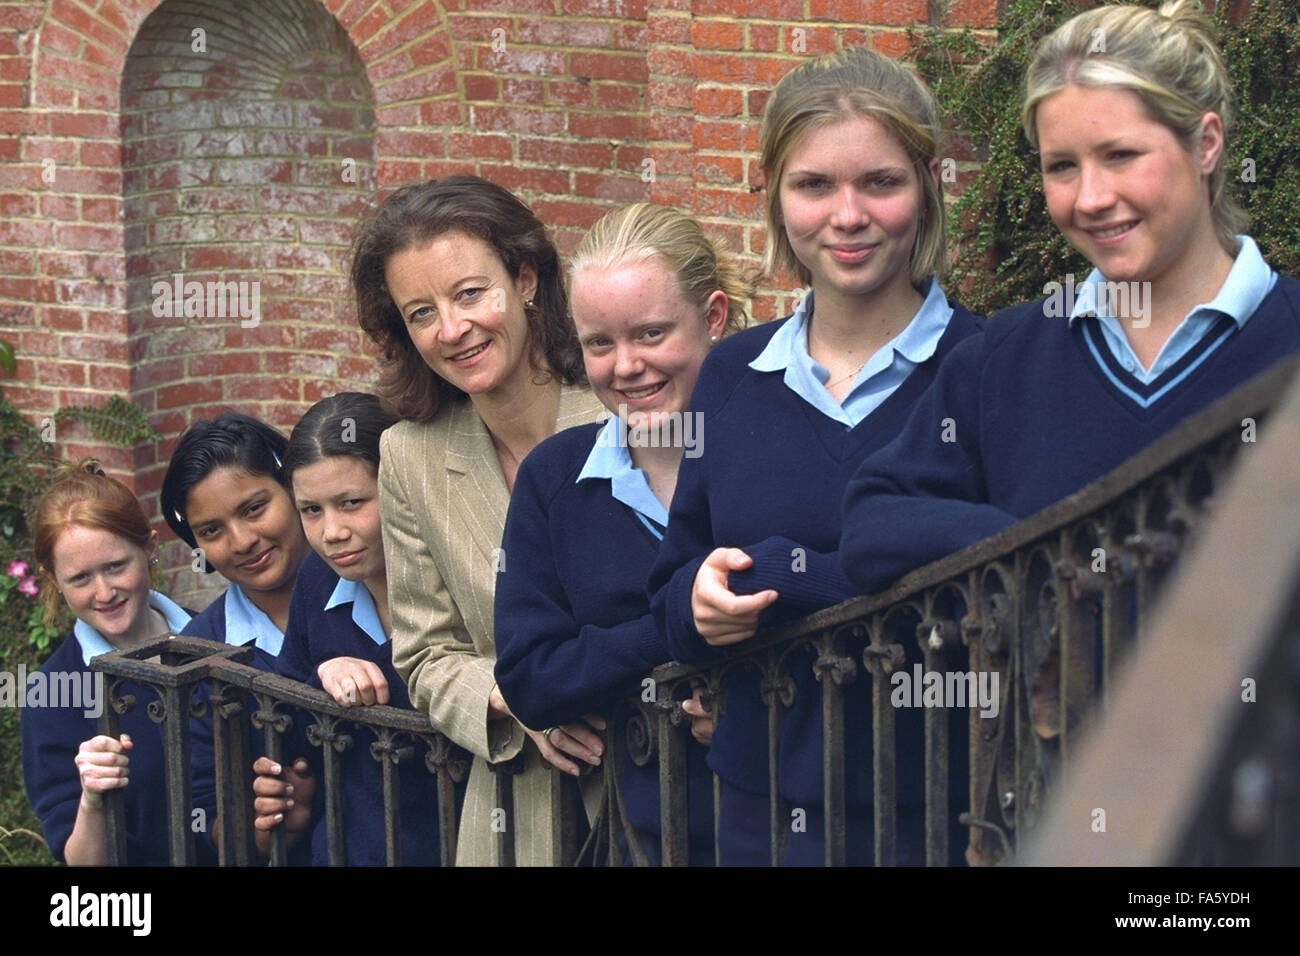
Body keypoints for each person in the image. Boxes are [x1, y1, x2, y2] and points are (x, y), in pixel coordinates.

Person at [647, 46, 983, 865]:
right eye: (814, 185)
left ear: (928, 184)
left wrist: (786, 571)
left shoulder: (989, 365)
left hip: (944, 809)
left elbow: (997, 578)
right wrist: (695, 605)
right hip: (758, 808)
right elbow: (669, 583)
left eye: (880, 182)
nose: (847, 214)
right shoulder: (731, 375)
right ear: (772, 194)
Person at [840, 0, 1300, 595]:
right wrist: (1038, 548)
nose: (1090, 198)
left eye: (1120, 156)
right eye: (1061, 166)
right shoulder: (1005, 358)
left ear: (1206, 143)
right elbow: (874, 521)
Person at [352, 174, 605, 865]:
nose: (452, 329)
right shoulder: (409, 456)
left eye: (470, 293)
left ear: (525, 279)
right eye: (421, 312)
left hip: (662, 781)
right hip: (519, 812)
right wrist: (515, 696)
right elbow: (427, 653)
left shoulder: (622, 407)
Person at [494, 203, 752, 865]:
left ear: (714, 318)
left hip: (795, 824)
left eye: (652, 333)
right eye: (600, 343)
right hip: (643, 839)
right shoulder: (555, 478)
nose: (626, 365)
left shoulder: (775, 449)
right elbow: (531, 676)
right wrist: (675, 626)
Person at [249, 392, 447, 865]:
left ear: (402, 487)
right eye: (311, 510)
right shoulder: (317, 581)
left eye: (352, 502)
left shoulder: (453, 578)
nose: (331, 531)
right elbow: (283, 722)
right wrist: (325, 677)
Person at [21, 460, 199, 865]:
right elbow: (81, 862)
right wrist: (93, 802)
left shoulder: (216, 636)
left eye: (116, 566)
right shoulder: (52, 694)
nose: (104, 592)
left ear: (150, 547)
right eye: (80, 579)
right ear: (53, 580)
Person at [161, 412, 311, 666]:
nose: (242, 542)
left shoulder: (378, 588)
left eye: (253, 509)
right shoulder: (195, 655)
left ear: (292, 487)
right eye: (211, 531)